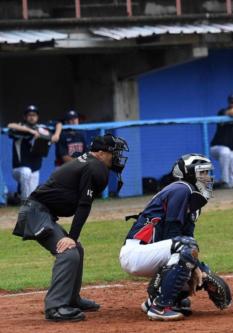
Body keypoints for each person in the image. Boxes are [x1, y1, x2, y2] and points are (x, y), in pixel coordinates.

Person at [12, 134, 129, 322]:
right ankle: (56, 307)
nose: (116, 157)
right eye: (113, 153)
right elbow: (84, 205)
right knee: (69, 252)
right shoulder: (95, 166)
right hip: (35, 213)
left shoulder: (90, 162)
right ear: (100, 153)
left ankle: (72, 299)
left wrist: (73, 239)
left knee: (76, 249)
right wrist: (72, 237)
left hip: (39, 211)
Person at [120, 154, 214, 321]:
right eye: (203, 173)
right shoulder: (181, 189)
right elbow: (173, 234)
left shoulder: (192, 199)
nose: (208, 177)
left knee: (200, 266)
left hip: (152, 252)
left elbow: (184, 238)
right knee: (187, 250)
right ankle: (160, 308)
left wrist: (199, 269)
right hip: (136, 253)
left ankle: (152, 301)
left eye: (208, 173)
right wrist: (194, 266)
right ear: (189, 174)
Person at [7, 105, 62, 199]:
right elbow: (10, 126)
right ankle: (24, 202)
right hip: (18, 169)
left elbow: (58, 123)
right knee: (26, 172)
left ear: (38, 117)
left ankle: (22, 197)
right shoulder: (20, 128)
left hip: (35, 168)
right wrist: (31, 131)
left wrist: (56, 135)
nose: (32, 117)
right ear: (25, 117)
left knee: (32, 196)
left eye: (34, 115)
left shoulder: (42, 128)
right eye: (29, 115)